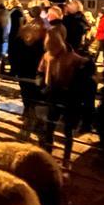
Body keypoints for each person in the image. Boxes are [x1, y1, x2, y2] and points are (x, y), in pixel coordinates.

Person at [38, 25, 88, 165]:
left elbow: (84, 68)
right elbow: (41, 70)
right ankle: (49, 155)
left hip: (67, 96)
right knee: (50, 126)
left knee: (66, 128)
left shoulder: (72, 57)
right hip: (53, 94)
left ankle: (66, 157)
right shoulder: (48, 55)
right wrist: (41, 83)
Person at [9, 5, 46, 140]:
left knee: (27, 94)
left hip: (24, 68)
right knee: (36, 96)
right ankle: (35, 121)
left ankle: (29, 119)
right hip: (37, 69)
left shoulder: (24, 30)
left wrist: (15, 67)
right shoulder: (46, 31)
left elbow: (14, 49)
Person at [6, 0, 25, 72]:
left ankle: (14, 69)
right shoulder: (18, 11)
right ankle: (14, 69)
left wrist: (18, 33)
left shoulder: (16, 11)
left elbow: (20, 24)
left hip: (14, 33)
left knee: (13, 52)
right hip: (14, 33)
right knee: (13, 52)